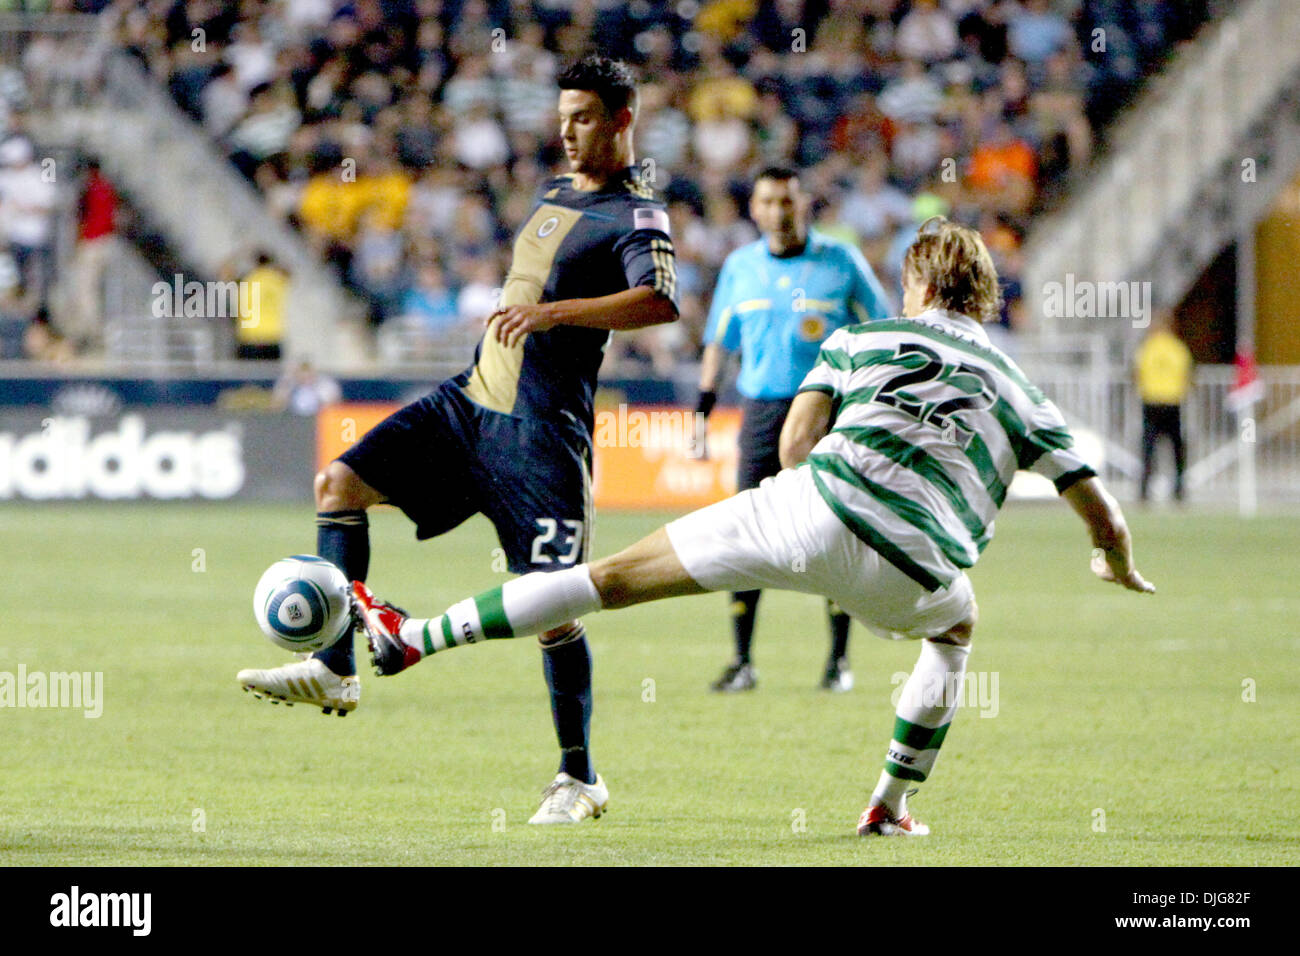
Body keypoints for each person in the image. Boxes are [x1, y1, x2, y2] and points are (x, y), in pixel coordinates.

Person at [351, 217, 1154, 836]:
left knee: (606, 582)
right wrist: (1113, 561)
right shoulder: (1019, 385)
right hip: (912, 567)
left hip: (805, 509)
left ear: (916, 281)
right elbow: (1099, 508)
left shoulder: (860, 337)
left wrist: (797, 511)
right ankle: (887, 807)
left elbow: (798, 443)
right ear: (981, 293)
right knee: (957, 627)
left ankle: (417, 635)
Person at [237, 55, 679, 825]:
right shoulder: (551, 193)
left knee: (551, 607)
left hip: (543, 435)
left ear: (621, 121)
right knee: (337, 486)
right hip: (468, 402)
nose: (568, 132)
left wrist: (552, 315)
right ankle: (338, 665)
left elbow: (660, 301)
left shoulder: (638, 213)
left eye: (584, 118)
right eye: (563, 115)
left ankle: (579, 778)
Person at [693, 166, 892, 693]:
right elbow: (720, 339)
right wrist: (704, 402)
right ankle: (742, 661)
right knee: (745, 533)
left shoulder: (841, 261)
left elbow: (880, 326)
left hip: (826, 411)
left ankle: (839, 662)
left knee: (833, 529)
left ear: (804, 204)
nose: (778, 212)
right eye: (768, 202)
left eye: (787, 201)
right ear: (754, 209)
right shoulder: (739, 267)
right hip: (760, 411)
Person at [1134, 313, 1192, 502]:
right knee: (1176, 447)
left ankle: (1144, 490)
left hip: (1151, 401)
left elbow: (1137, 373)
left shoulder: (1147, 348)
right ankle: (1179, 489)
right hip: (1172, 402)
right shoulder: (1178, 348)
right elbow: (1187, 374)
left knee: (1148, 448)